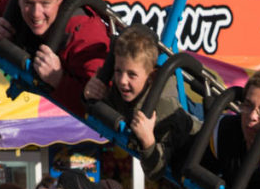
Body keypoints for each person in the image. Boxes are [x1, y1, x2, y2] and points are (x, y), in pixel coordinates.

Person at [84, 25, 199, 178]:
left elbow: (157, 171)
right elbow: (99, 112)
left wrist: (148, 141)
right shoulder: (121, 92)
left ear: (151, 77)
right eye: (118, 71)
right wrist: (90, 95)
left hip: (198, 150)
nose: (122, 81)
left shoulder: (164, 108)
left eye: (132, 75)